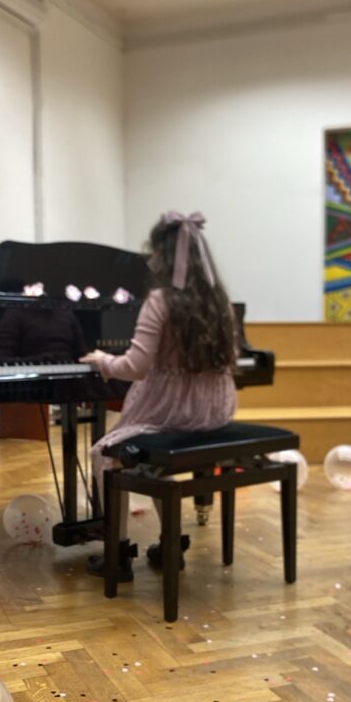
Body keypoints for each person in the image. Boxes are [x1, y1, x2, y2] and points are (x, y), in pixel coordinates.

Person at [80, 211, 237, 581]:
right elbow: (229, 357)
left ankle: (117, 554)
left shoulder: (161, 300)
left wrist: (103, 361)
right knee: (149, 458)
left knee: (105, 453)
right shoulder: (218, 300)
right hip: (214, 410)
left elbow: (135, 367)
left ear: (164, 256)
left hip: (171, 410)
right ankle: (170, 544)